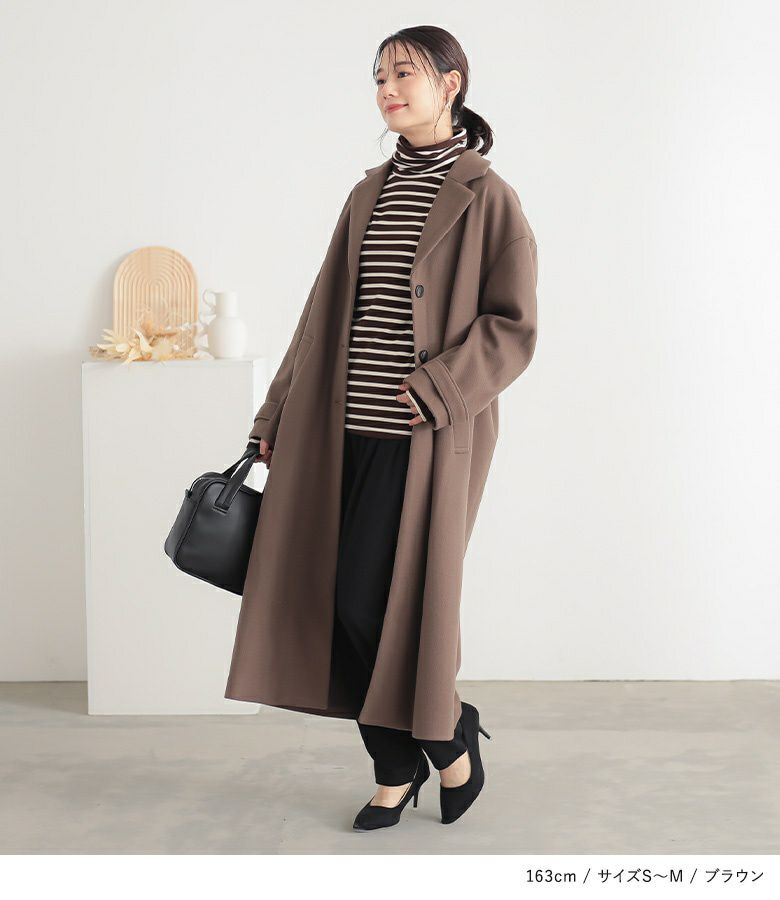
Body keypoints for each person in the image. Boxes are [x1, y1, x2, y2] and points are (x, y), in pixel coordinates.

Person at [240, 25, 536, 830]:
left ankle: (444, 734)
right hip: (337, 433)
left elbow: (514, 327)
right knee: (341, 604)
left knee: (381, 605)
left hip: (424, 437)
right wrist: (275, 413)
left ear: (452, 84)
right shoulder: (367, 192)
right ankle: (400, 764)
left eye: (404, 74)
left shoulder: (488, 196)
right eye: (379, 78)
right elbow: (320, 317)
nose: (387, 90)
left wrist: (440, 385)